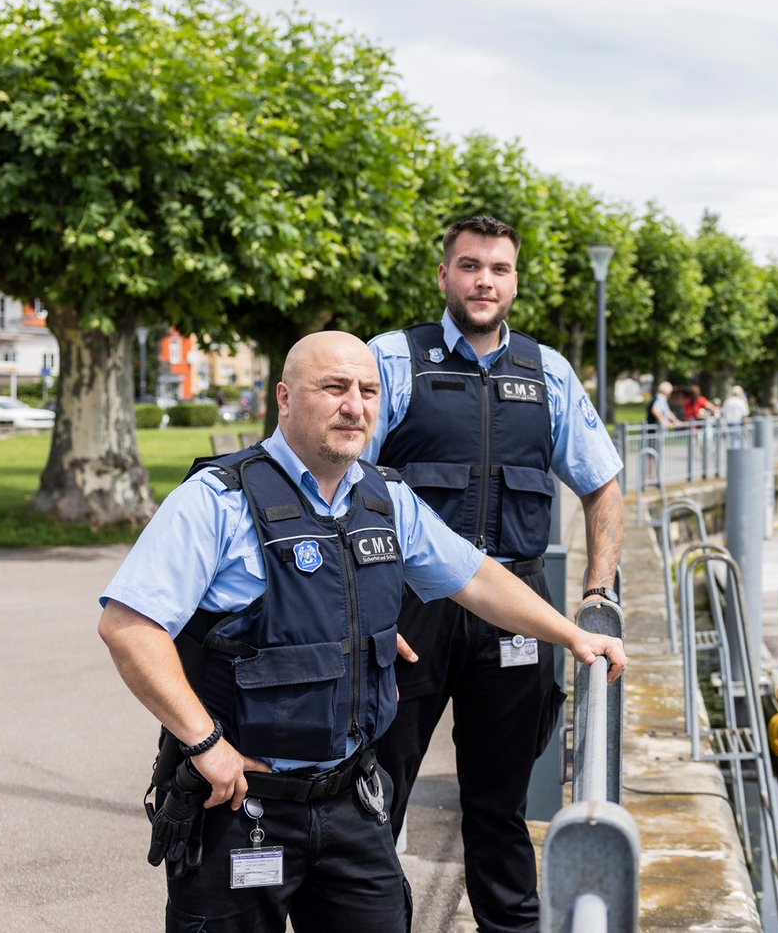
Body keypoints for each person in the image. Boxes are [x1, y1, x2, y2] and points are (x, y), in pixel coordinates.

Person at [96, 331, 625, 933]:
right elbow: (128, 626)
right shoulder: (216, 501)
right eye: (335, 388)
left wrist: (572, 635)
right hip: (241, 803)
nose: (356, 406)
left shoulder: (386, 497)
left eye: (369, 390)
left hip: (352, 803)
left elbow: (475, 578)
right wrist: (203, 744)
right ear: (286, 397)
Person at [367, 215, 625, 933]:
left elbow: (603, 483)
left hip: (512, 608)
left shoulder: (548, 372)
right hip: (406, 613)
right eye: (470, 265)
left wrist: (597, 590)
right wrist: (360, 610)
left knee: (499, 807)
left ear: (515, 281)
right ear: (444, 274)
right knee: (373, 802)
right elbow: (336, 484)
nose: (485, 280)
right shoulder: (391, 360)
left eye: (500, 269)